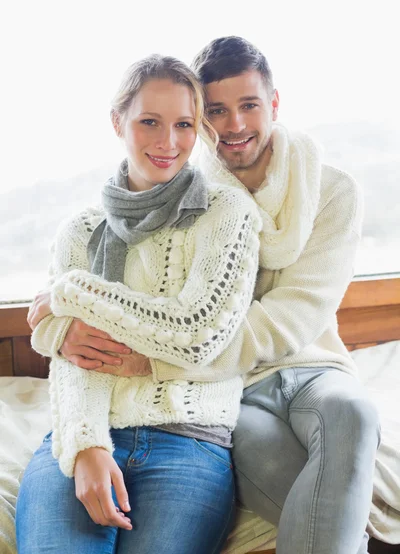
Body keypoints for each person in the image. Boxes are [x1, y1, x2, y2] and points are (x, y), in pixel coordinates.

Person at [28, 37, 381, 554]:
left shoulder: (287, 198)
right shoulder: (177, 189)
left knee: (354, 416)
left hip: (286, 369)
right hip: (235, 389)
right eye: (216, 111)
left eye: (249, 106)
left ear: (274, 104)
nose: (235, 125)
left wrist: (88, 311)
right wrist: (60, 328)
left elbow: (274, 319)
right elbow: (88, 332)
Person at [16, 54, 262, 554]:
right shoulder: (80, 232)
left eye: (184, 125)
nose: (167, 142)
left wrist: (72, 295)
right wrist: (85, 446)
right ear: (117, 122)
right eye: (149, 121)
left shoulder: (226, 212)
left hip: (189, 445)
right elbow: (73, 358)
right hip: (87, 435)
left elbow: (195, 334)